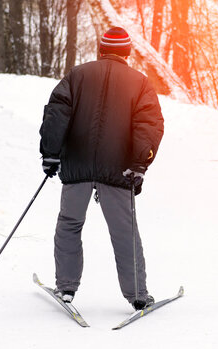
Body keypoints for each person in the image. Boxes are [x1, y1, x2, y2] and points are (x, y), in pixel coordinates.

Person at [39, 26, 164, 310]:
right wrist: (139, 164)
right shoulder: (140, 82)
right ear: (127, 52)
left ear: (101, 48)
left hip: (77, 168)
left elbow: (57, 113)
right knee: (124, 231)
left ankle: (66, 288)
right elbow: (149, 126)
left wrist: (50, 154)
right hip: (118, 170)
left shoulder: (77, 75)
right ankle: (138, 295)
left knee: (69, 225)